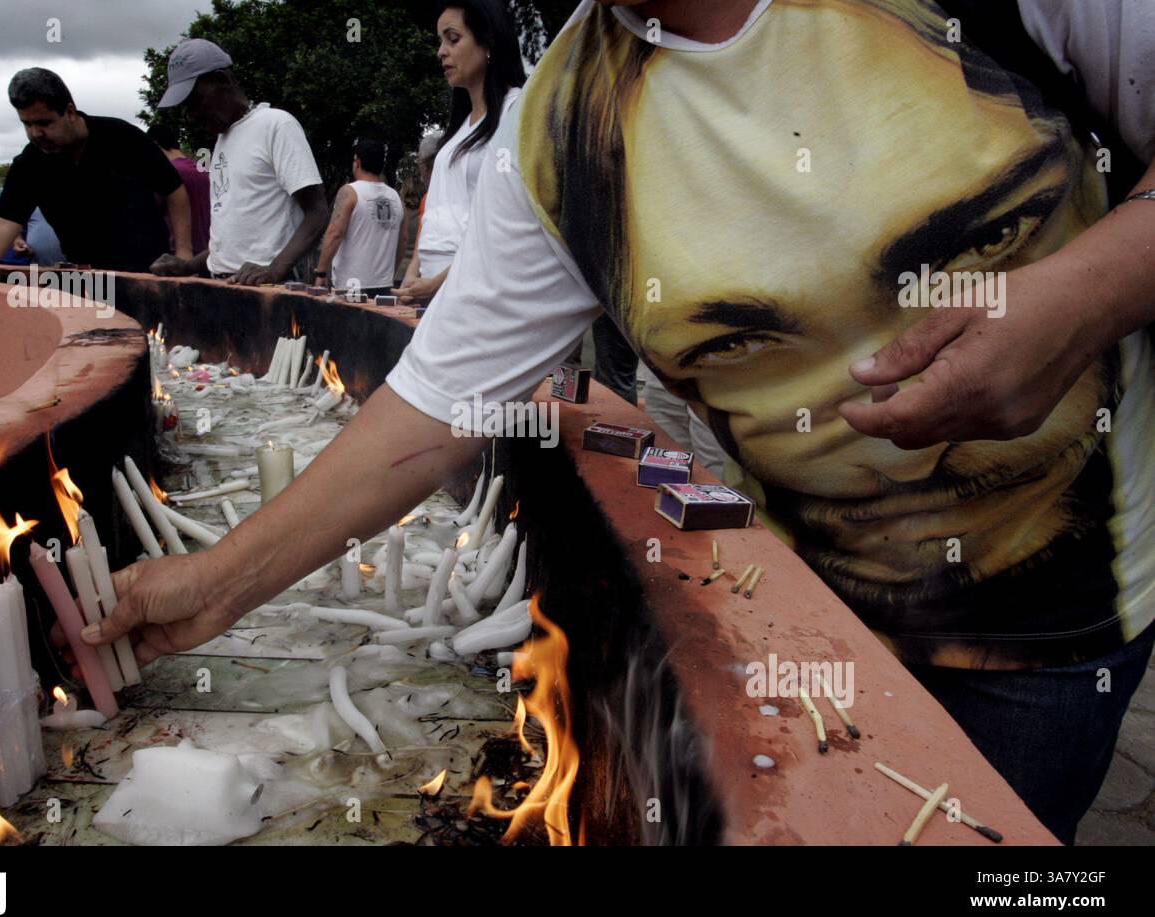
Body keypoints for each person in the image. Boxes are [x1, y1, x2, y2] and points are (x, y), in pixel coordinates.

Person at [86, 0, 1155, 845]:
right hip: (811, 603)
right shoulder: (559, 131)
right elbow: (436, 404)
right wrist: (208, 584)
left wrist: (1077, 300)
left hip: (1063, 623)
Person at [0, 68, 191, 278]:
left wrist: (183, 254)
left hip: (147, 272)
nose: (36, 134)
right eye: (27, 124)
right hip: (88, 278)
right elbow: (1, 224)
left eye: (44, 123)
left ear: (69, 111)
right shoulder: (31, 163)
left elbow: (174, 190)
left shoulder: (123, 138)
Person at [149, 38, 327, 286]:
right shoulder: (224, 139)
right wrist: (189, 266)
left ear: (223, 81)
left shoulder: (276, 125)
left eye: (195, 101)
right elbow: (233, 241)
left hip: (270, 290)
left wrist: (274, 270)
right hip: (226, 287)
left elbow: (317, 212)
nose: (191, 115)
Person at [393, 1, 525, 306]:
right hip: (432, 290)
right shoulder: (458, 131)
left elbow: (507, 224)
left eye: (452, 39)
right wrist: (414, 273)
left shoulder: (517, 112)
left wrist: (438, 283)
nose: (441, 51)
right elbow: (435, 213)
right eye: (440, 41)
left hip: (480, 291)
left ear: (488, 41)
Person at [314, 140, 406, 297]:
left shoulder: (349, 192)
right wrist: (388, 274)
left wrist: (321, 272)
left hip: (351, 285)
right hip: (384, 286)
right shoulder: (395, 197)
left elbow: (335, 233)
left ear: (357, 161)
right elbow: (403, 240)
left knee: (350, 322)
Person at [146, 124, 211, 255]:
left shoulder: (167, 173)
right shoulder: (201, 171)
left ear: (154, 145)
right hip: (205, 254)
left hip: (176, 256)